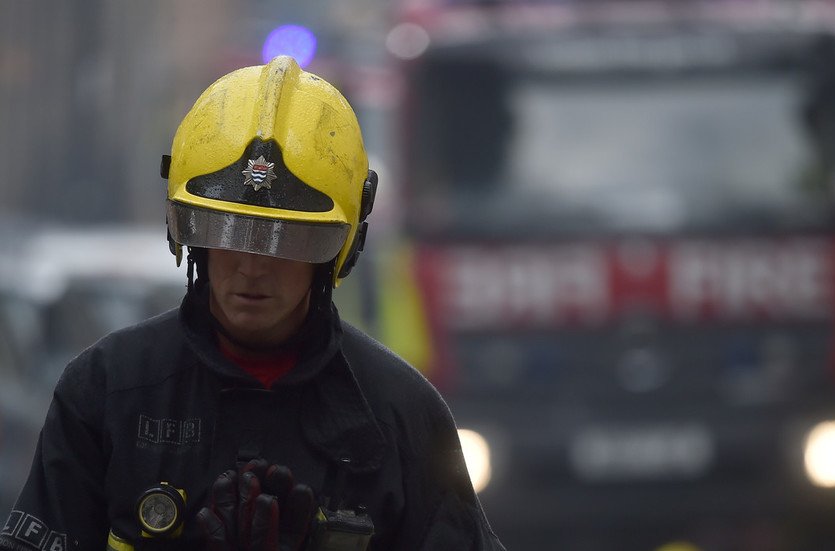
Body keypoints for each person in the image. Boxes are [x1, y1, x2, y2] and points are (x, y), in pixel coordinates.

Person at [0, 56, 505, 551]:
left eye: (286, 240)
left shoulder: (402, 417)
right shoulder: (106, 392)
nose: (252, 266)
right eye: (228, 230)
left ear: (341, 246)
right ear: (190, 234)